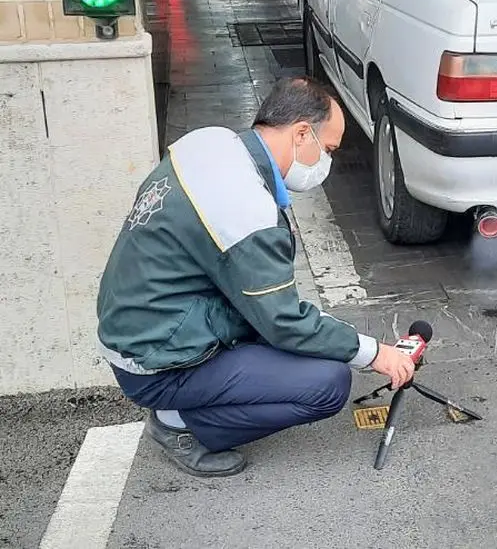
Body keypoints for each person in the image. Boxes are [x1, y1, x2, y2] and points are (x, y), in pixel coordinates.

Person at [96, 78, 415, 477]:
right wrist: (375, 353)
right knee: (328, 383)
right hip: (159, 362)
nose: (326, 162)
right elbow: (282, 321)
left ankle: (189, 402)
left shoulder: (211, 143)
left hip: (142, 327)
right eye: (328, 149)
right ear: (301, 133)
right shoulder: (245, 208)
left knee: (306, 346)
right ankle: (177, 423)